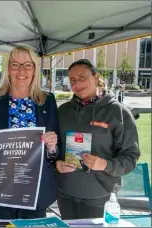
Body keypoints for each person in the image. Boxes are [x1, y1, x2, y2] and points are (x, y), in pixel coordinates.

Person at [0, 45, 60, 220]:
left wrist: (52, 147)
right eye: (15, 65)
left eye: (27, 65)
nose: (21, 70)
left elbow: (56, 150)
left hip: (34, 192)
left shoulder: (47, 101)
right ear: (8, 69)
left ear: (35, 69)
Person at [55, 59, 140, 219]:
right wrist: (57, 164)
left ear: (96, 77)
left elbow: (130, 157)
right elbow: (53, 149)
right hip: (65, 192)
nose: (77, 84)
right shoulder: (63, 112)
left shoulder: (118, 112)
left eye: (82, 77)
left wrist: (105, 164)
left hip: (100, 195)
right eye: (72, 80)